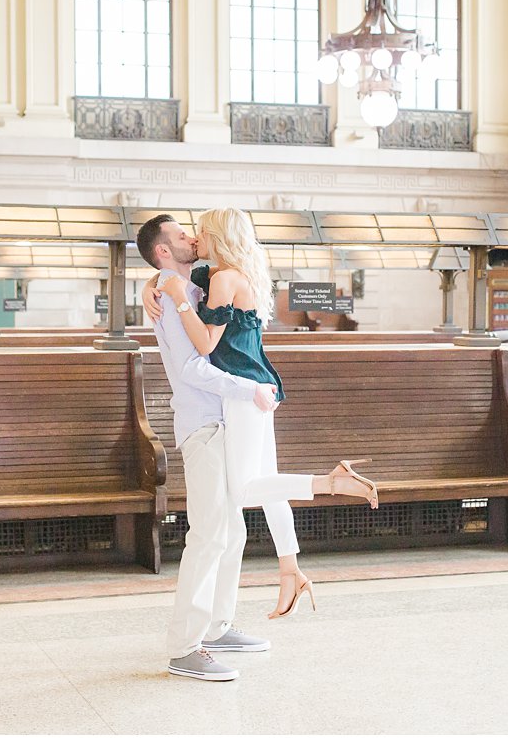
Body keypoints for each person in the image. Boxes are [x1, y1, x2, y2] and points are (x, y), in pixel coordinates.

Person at [145, 207, 378, 621]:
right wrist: (157, 280)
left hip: (245, 394)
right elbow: (174, 275)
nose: (195, 239)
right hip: (261, 387)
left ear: (217, 235)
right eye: (187, 234)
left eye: (198, 232)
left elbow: (202, 346)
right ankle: (290, 570)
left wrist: (178, 301)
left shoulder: (221, 279)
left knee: (245, 492)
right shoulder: (228, 272)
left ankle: (331, 481)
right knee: (267, 484)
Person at [137, 213, 275, 682]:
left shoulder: (190, 286)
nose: (191, 238)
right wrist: (247, 390)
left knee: (232, 530)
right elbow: (193, 369)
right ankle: (184, 647)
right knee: (208, 534)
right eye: (180, 236)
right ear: (163, 251)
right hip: (203, 425)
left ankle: (217, 626)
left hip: (225, 422)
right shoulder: (168, 298)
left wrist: (156, 280)